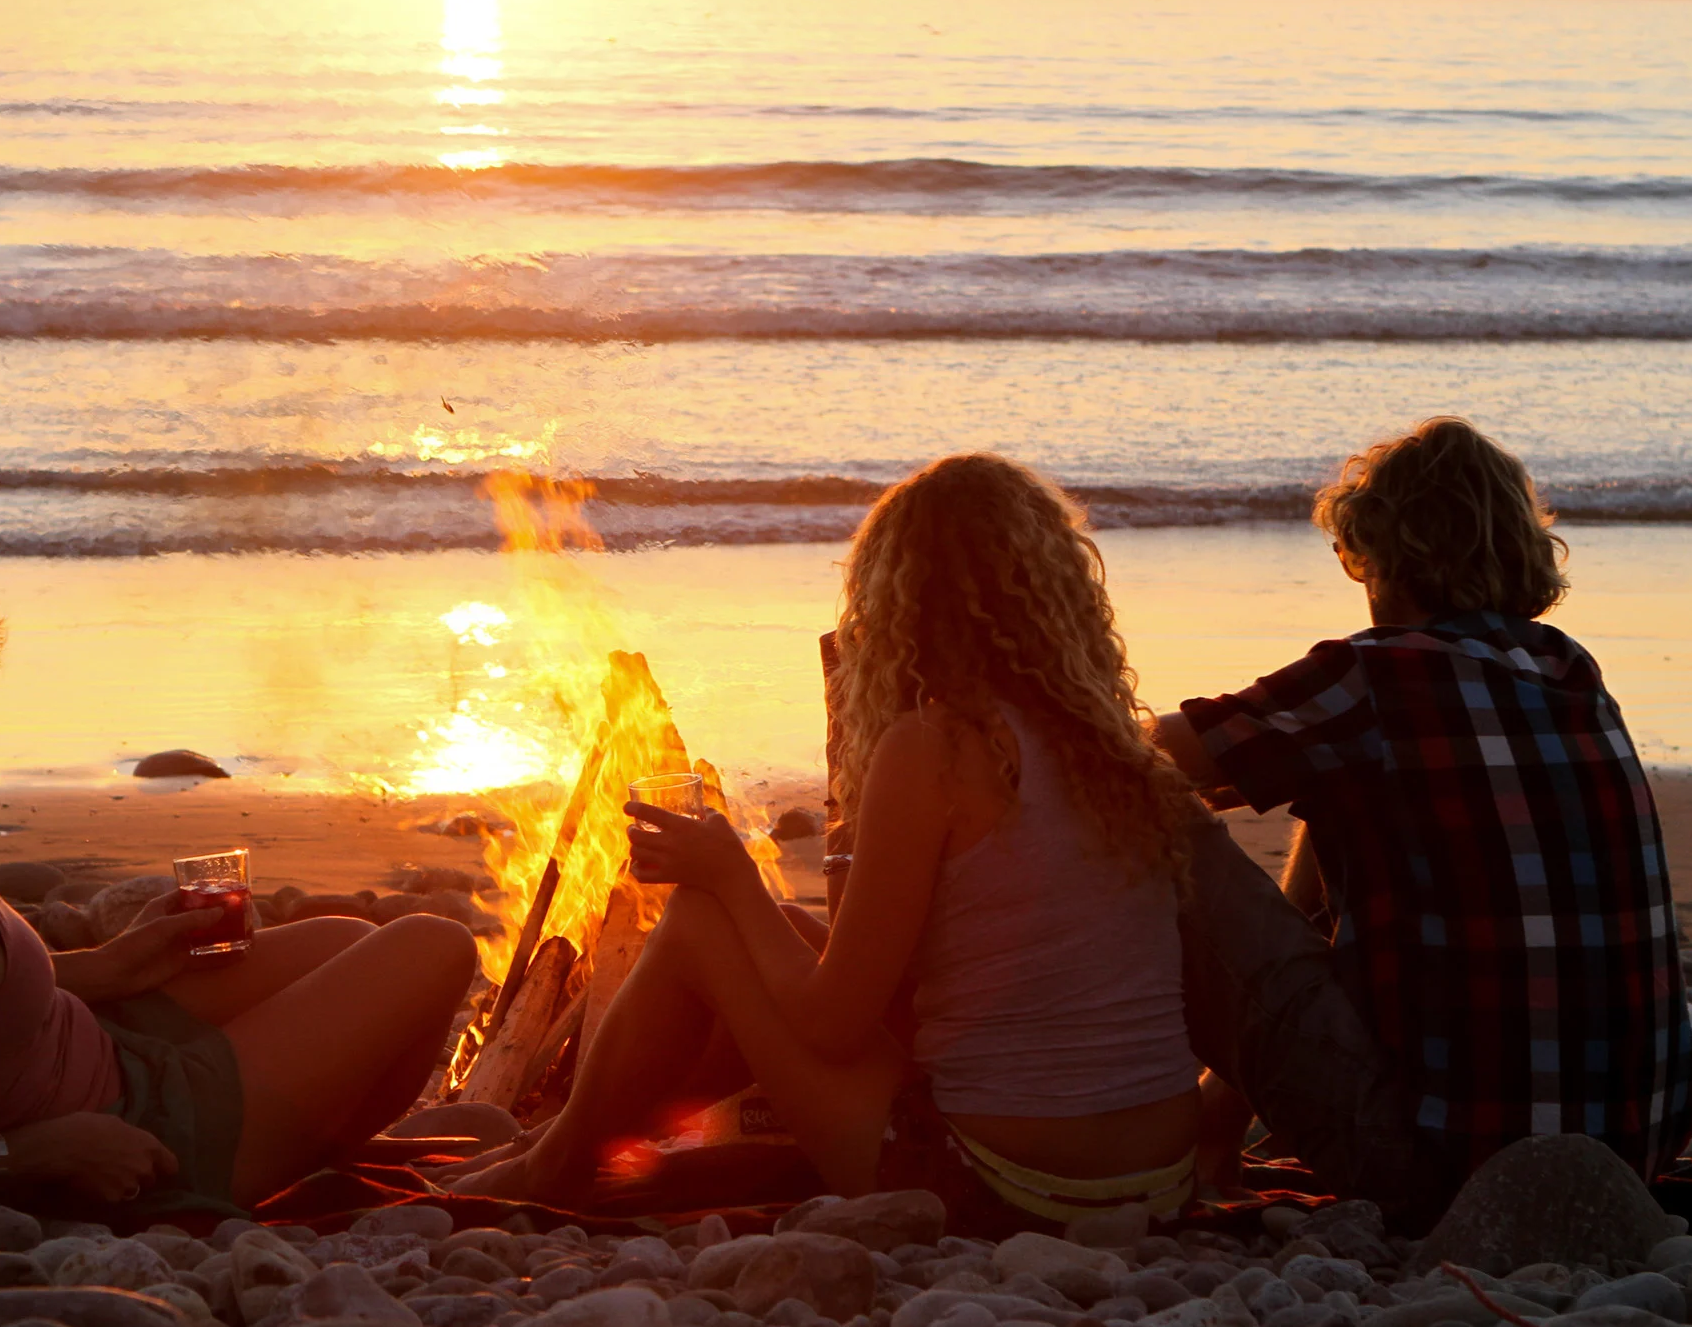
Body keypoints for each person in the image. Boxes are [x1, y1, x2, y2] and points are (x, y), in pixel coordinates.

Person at [456, 454, 1206, 1234]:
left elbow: (832, 1025)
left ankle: (551, 1166)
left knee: (703, 920)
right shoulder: (1111, 744)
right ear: (1057, 586)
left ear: (897, 599)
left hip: (1006, 1188)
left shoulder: (934, 748)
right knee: (790, 931)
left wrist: (730, 872)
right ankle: (589, 1140)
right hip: (1158, 1178)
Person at [0, 531, 479, 1216]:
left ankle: (297, 1124)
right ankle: (273, 1159)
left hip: (76, 1044)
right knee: (435, 947)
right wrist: (36, 1152)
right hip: (138, 1132)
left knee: (342, 937)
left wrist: (112, 963)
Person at [1155, 417, 1692, 1225]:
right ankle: (1211, 1129)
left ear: (1380, 552)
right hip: (1629, 1152)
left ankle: (1052, 1098)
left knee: (1150, 814)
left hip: (1435, 1165)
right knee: (1348, 796)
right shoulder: (1569, 668)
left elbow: (1134, 754)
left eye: (1351, 554)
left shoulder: (1370, 674)